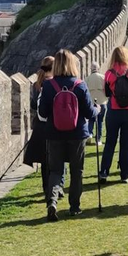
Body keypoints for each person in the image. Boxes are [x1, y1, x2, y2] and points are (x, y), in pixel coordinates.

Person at [38, 49, 100, 221]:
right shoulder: (80, 85)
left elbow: (42, 112)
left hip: (54, 133)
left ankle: (52, 201)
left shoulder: (49, 85)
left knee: (56, 170)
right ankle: (75, 207)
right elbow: (89, 113)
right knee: (76, 170)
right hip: (77, 133)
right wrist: (98, 109)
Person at [99, 46, 128, 183]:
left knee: (110, 143)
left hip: (114, 111)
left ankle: (104, 172)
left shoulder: (109, 73)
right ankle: (124, 175)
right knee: (126, 144)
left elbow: (107, 93)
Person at [23, 56, 55, 198]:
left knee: (45, 160)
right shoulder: (54, 84)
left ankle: (46, 188)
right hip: (54, 124)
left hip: (40, 125)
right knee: (57, 158)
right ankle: (56, 188)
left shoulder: (37, 84)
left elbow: (32, 105)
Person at [85, 62, 107, 145]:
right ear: (98, 69)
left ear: (91, 69)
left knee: (91, 120)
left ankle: (89, 134)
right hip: (102, 102)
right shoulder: (103, 78)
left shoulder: (87, 79)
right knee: (100, 121)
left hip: (91, 102)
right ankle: (98, 140)